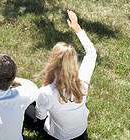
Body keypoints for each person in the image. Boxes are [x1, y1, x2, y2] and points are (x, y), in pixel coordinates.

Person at [24, 10, 97, 139]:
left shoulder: (46, 92)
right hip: (80, 132)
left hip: (58, 136)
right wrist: (77, 28)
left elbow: (40, 116)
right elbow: (91, 53)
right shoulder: (83, 81)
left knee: (25, 106)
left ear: (52, 63)